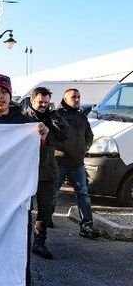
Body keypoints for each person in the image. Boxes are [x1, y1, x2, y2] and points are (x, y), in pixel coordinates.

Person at [0, 74, 49, 286]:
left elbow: (39, 150)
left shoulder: (25, 122)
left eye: (4, 92)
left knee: (17, 242)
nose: (0, 97)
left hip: (16, 196)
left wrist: (42, 135)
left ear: (10, 94)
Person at [25, 87, 69, 259]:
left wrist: (53, 120)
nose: (43, 105)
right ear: (32, 101)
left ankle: (39, 242)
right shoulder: (22, 119)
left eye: (46, 102)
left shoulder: (53, 118)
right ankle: (20, 241)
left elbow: (65, 136)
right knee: (23, 209)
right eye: (40, 102)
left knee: (46, 209)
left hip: (47, 169)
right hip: (24, 171)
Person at [52, 88, 101, 238]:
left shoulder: (82, 117)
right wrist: (61, 149)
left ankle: (86, 226)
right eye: (73, 97)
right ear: (65, 99)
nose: (77, 99)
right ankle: (45, 220)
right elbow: (51, 138)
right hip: (60, 162)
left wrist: (84, 148)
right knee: (52, 192)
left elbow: (89, 135)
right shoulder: (57, 116)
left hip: (77, 163)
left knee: (83, 193)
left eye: (78, 97)